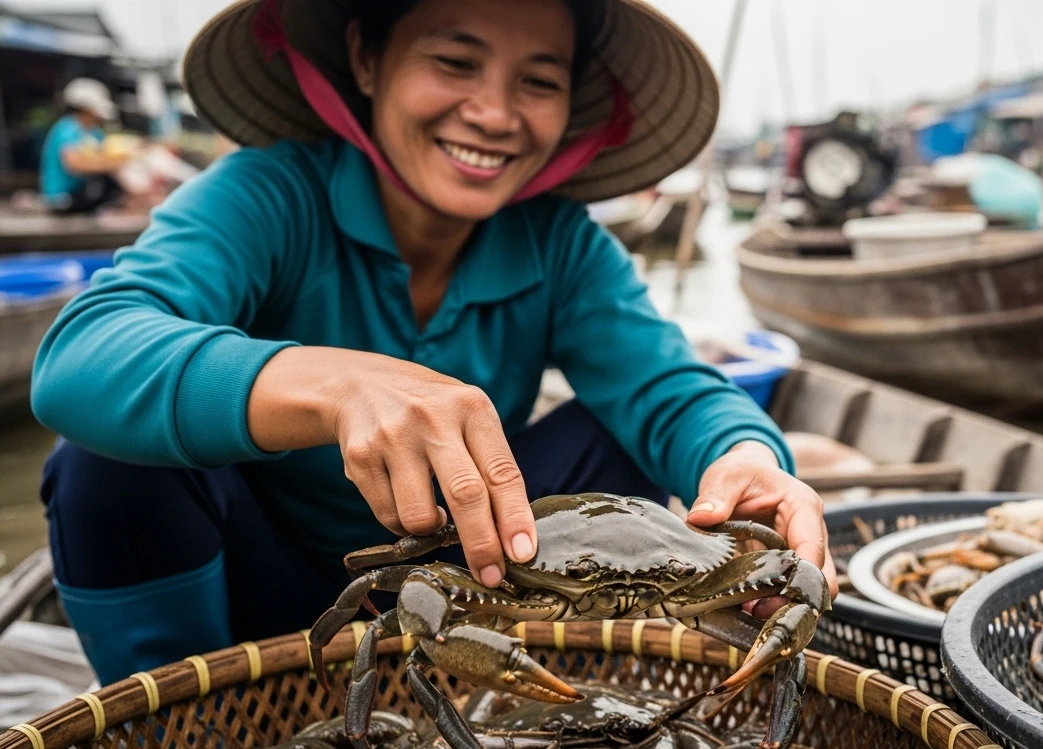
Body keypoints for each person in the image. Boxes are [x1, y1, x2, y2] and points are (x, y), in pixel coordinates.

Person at [32, 0, 835, 685]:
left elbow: (668, 388)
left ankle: (545, 703)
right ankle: (185, 735)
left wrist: (746, 458)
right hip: (243, 594)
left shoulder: (561, 244)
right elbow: (82, 355)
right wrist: (330, 384)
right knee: (102, 466)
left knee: (616, 432)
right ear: (366, 58)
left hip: (483, 582)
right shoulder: (267, 195)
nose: (493, 113)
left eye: (539, 81)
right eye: (455, 62)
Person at [39, 78, 127, 214]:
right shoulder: (67, 129)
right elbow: (73, 164)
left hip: (83, 194)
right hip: (63, 198)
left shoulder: (94, 132)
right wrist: (114, 164)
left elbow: (104, 155)